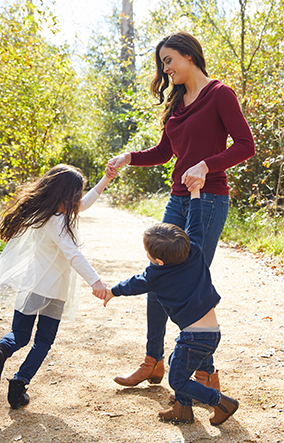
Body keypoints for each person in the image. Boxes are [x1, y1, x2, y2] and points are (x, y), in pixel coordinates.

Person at [107, 31, 255, 390]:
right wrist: (127, 158)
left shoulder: (220, 95)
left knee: (191, 282)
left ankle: (206, 373)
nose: (165, 68)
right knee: (158, 275)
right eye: (162, 62)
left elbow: (245, 146)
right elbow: (163, 152)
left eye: (169, 59)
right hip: (177, 199)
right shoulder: (176, 103)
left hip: (208, 199)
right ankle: (153, 361)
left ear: (189, 56)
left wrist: (206, 166)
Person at [0, 164, 115, 409]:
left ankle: (0, 350)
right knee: (43, 341)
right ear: (68, 195)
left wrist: (106, 179)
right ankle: (19, 384)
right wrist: (96, 282)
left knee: (19, 335)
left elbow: (85, 204)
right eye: (77, 193)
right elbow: (74, 255)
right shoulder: (60, 221)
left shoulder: (43, 213)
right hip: (53, 290)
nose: (79, 199)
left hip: (31, 284)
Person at [103, 185, 239, 425]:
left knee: (177, 380)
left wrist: (112, 292)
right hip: (212, 333)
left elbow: (132, 284)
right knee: (181, 365)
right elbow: (195, 221)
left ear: (158, 260)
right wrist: (195, 193)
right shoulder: (195, 249)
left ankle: (221, 402)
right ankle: (182, 410)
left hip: (193, 338)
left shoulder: (155, 275)